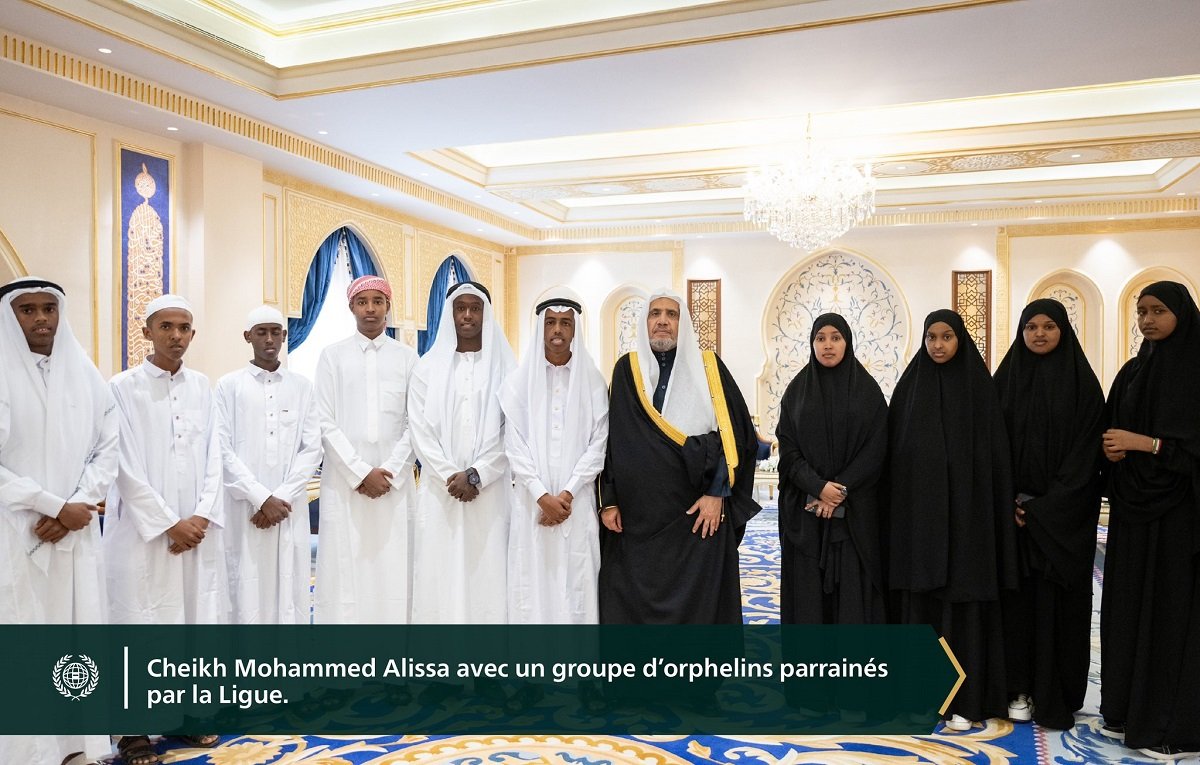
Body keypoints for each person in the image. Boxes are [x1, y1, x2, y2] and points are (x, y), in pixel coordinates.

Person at [0, 277, 117, 765]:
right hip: (15, 528)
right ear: (11, 317)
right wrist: (50, 504)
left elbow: (108, 445)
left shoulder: (84, 373)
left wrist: (79, 504)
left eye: (49, 308)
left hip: (77, 527)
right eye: (28, 310)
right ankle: (30, 749)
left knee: (77, 634)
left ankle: (79, 743)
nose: (41, 318)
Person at [105, 294, 226, 763]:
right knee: (137, 623)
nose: (176, 336)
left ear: (193, 335)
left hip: (196, 531)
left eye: (184, 328)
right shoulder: (121, 387)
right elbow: (123, 463)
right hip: (141, 535)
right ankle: (131, 727)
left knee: (193, 626)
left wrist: (199, 515)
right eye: (166, 327)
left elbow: (216, 456)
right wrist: (166, 522)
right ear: (147, 332)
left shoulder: (203, 386)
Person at [887, 309, 1017, 731]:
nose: (938, 345)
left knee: (963, 612)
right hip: (920, 529)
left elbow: (995, 464)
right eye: (931, 337)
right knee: (922, 610)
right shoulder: (908, 390)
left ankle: (967, 700)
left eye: (946, 337)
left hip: (968, 527)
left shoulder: (980, 391)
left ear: (960, 340)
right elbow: (894, 460)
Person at [598, 288, 760, 624]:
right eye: (655, 314)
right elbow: (609, 441)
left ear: (682, 323)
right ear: (645, 323)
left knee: (696, 611)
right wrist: (608, 499)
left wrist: (717, 494)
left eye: (671, 315)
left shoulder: (709, 368)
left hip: (694, 515)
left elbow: (737, 437)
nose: (662, 322)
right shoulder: (626, 371)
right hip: (636, 520)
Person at [1099, 281, 1200, 761]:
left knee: (1169, 614)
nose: (1148, 320)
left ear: (1180, 313)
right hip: (1133, 510)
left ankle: (1168, 720)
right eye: (1141, 312)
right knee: (1128, 608)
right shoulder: (1134, 372)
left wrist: (1147, 444)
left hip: (1179, 517)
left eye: (1158, 310)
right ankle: (1124, 708)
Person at [993, 299, 1103, 730]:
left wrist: (1044, 508)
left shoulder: (1083, 386)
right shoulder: (1003, 383)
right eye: (1031, 327)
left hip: (1063, 520)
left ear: (1064, 331)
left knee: (1058, 606)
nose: (1039, 334)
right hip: (1013, 519)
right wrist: (1009, 502)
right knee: (1016, 605)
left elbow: (1087, 456)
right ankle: (1017, 687)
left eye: (1050, 326)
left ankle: (1054, 693)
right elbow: (989, 448)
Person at [313, 275, 418, 624]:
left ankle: (394, 665)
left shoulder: (407, 358)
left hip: (395, 486)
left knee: (394, 569)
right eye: (363, 302)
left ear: (388, 306)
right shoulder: (332, 357)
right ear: (351, 307)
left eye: (377, 301)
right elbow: (324, 421)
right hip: (345, 486)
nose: (370, 309)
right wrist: (360, 472)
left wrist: (388, 471)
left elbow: (416, 422)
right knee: (346, 571)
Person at [409, 282, 515, 624]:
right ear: (450, 313)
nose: (468, 315)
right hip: (442, 492)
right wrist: (449, 476)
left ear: (487, 312)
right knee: (440, 572)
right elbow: (419, 430)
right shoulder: (427, 367)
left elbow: (513, 430)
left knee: (488, 570)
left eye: (476, 307)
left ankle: (489, 664)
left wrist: (477, 474)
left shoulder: (506, 368)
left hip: (491, 491)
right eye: (460, 307)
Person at [500, 294, 608, 624]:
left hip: (577, 503)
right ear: (540, 328)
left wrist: (567, 494)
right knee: (532, 585)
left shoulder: (593, 381)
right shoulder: (518, 383)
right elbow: (513, 445)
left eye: (565, 322)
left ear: (575, 329)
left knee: (577, 582)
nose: (557, 330)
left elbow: (598, 444)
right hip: (531, 503)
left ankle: (578, 668)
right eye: (550, 322)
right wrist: (541, 496)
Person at [776, 313, 887, 626]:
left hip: (853, 518)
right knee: (808, 599)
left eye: (835, 338)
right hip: (807, 515)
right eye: (820, 338)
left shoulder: (868, 393)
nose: (827, 345)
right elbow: (789, 451)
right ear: (811, 344)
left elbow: (876, 450)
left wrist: (838, 490)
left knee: (851, 599)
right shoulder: (796, 394)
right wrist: (817, 487)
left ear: (847, 342)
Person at [215, 306, 322, 624]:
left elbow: (312, 447)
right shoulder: (227, 386)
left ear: (286, 336)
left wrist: (282, 497)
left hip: (288, 509)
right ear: (247, 337)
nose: (269, 339)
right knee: (243, 582)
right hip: (244, 507)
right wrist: (261, 497)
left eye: (276, 332)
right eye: (261, 332)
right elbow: (221, 448)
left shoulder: (302, 386)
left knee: (290, 583)